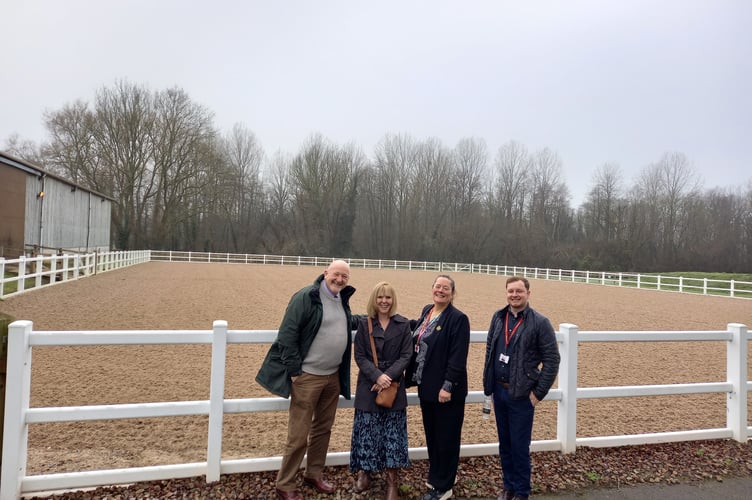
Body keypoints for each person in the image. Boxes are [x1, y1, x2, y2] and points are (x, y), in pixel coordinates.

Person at [255, 259, 358, 500]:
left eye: (345, 276)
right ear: (325, 273)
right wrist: (294, 371)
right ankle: (286, 483)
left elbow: (344, 323)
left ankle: (313, 474)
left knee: (323, 429)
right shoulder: (306, 297)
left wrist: (373, 318)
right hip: (307, 377)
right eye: (336, 274)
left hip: (332, 376)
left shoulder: (341, 300)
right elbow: (287, 335)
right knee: (299, 434)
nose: (340, 280)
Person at [482, 276, 561, 500]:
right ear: (506, 293)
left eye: (519, 291)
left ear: (528, 293)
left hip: (522, 396)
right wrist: (488, 384)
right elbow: (490, 351)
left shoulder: (539, 322)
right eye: (510, 291)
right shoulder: (498, 318)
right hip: (499, 391)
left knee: (519, 446)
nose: (514, 295)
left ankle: (522, 491)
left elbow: (552, 359)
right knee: (505, 444)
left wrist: (538, 393)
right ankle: (508, 488)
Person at [406, 274, 470, 500]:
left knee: (446, 437)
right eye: (437, 286)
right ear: (432, 288)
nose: (440, 291)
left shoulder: (458, 319)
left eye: (445, 288)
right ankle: (442, 475)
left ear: (452, 293)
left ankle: (442, 487)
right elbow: (417, 331)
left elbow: (458, 356)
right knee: (433, 435)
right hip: (427, 387)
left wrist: (448, 386)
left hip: (446, 391)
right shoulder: (427, 311)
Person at [349, 281, 413, 500]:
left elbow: (406, 355)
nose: (384, 301)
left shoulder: (403, 325)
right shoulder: (364, 324)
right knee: (367, 431)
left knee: (393, 436)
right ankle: (364, 473)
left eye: (388, 297)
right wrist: (377, 376)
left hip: (393, 387)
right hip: (369, 384)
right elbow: (360, 356)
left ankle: (392, 483)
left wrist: (388, 377)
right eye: (380, 297)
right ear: (374, 300)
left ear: (393, 300)